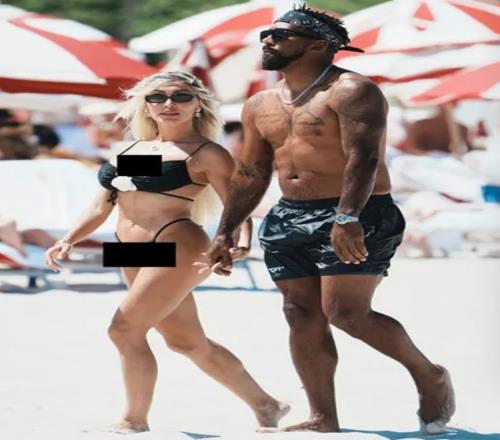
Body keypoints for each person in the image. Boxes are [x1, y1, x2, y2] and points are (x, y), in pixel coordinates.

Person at [202, 5, 455, 434]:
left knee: (346, 313)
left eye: (280, 35)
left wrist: (347, 215)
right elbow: (252, 171)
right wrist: (225, 230)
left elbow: (364, 156)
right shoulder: (259, 103)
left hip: (357, 211)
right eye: (266, 34)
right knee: (299, 313)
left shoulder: (351, 90)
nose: (268, 41)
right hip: (289, 214)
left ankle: (429, 375)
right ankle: (323, 417)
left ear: (318, 45)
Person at [45, 71, 289, 433]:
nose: (169, 104)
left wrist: (238, 241)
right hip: (129, 250)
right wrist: (69, 238)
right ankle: (266, 404)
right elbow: (104, 202)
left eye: (181, 96)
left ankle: (134, 419)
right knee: (186, 342)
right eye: (158, 97)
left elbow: (236, 203)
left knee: (123, 330)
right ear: (146, 105)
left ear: (198, 105)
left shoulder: (206, 152)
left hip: (175, 242)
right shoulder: (135, 150)